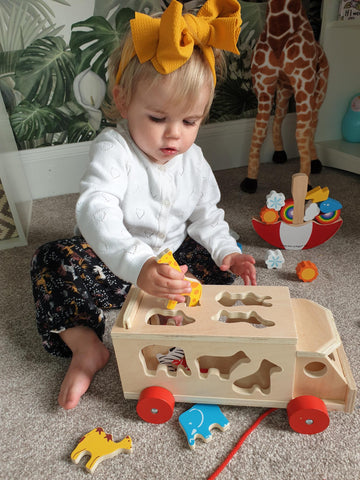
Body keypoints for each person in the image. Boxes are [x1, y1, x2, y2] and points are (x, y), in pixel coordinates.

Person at [30, 0, 256, 410]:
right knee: (50, 261)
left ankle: (176, 308)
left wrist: (229, 252)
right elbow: (95, 209)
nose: (174, 136)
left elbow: (208, 215)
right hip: (116, 263)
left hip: (173, 264)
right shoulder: (113, 149)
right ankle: (86, 346)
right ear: (122, 100)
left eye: (190, 122)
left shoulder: (194, 160)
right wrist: (138, 265)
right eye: (157, 118)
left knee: (220, 263)